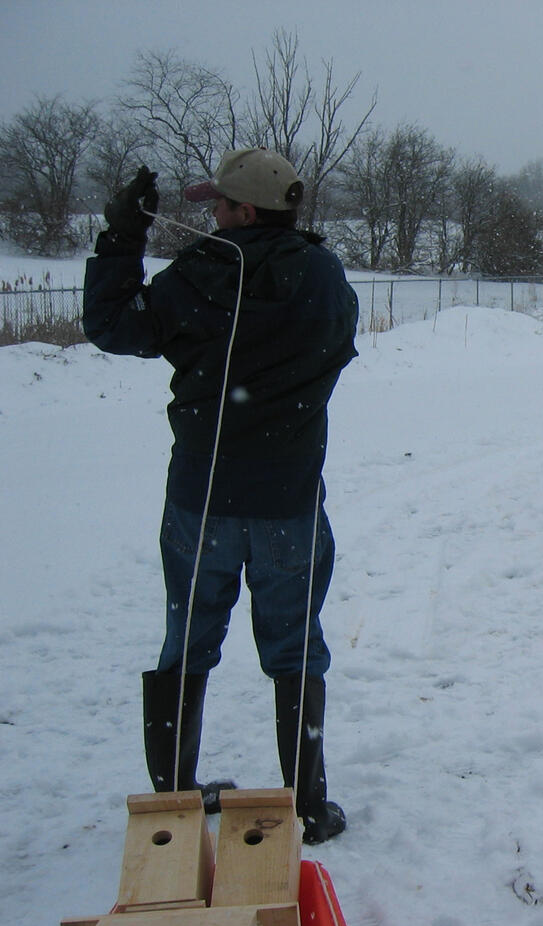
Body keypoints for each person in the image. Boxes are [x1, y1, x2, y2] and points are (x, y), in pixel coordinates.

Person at [83, 149, 358, 844]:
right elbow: (338, 342)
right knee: (295, 648)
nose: (211, 215)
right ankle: (308, 804)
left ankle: (176, 799)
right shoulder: (323, 275)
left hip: (201, 498)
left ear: (244, 209)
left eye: (219, 206)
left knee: (190, 640)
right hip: (287, 501)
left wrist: (121, 239)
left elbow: (114, 327)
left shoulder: (205, 272)